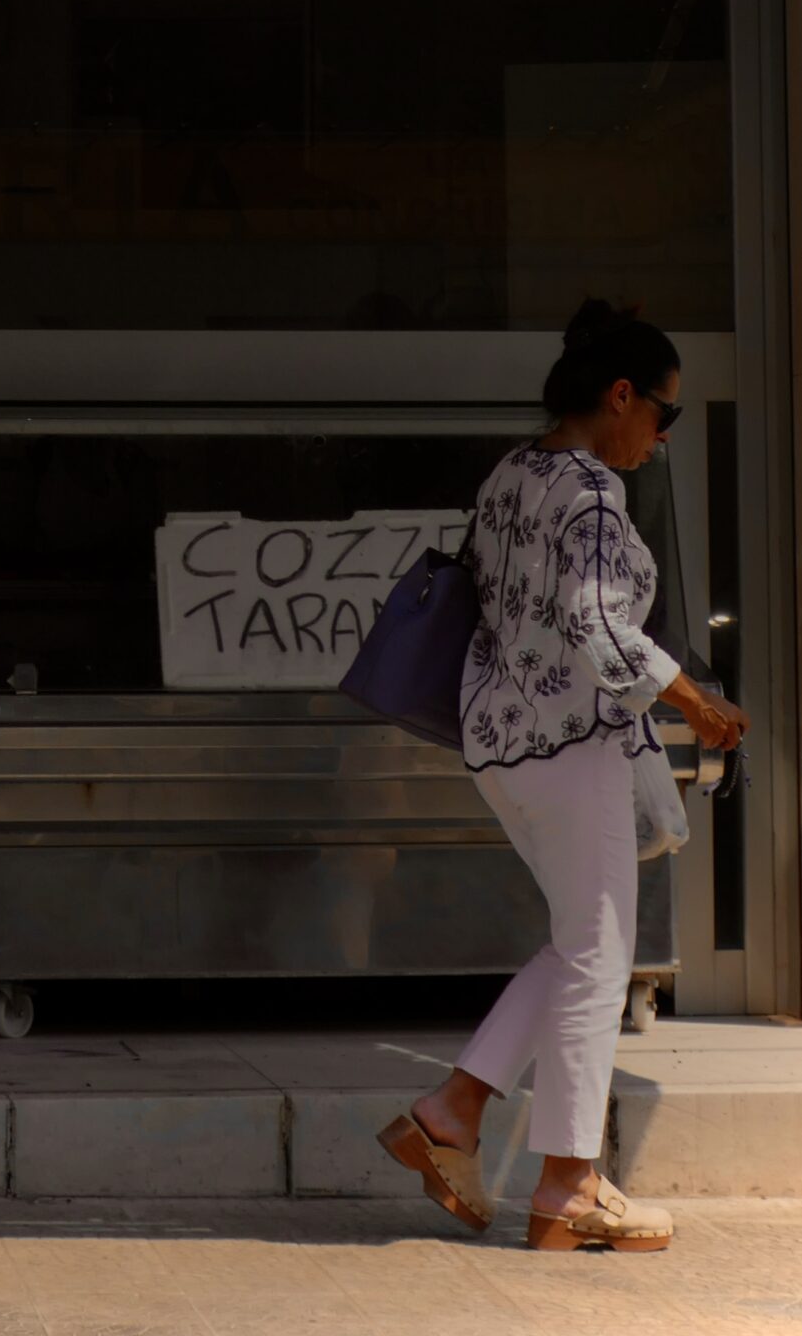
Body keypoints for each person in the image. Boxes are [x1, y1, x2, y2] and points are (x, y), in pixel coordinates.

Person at [379, 300, 747, 1251]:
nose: (662, 437)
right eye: (662, 414)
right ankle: (569, 1185)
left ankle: (452, 1114)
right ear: (620, 395)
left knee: (580, 945)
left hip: (502, 747)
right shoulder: (589, 492)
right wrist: (694, 701)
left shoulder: (510, 472)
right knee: (596, 957)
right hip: (571, 746)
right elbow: (593, 623)